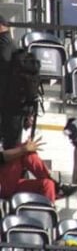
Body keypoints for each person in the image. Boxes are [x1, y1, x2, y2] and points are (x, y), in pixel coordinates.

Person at [0, 135, 77, 202]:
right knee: (24, 151)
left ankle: (47, 214)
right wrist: (24, 149)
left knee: (48, 184)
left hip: (9, 184)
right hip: (2, 186)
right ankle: (57, 188)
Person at [0, 14, 22, 149]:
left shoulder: (4, 44)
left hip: (7, 104)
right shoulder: (11, 44)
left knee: (11, 149)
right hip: (13, 105)